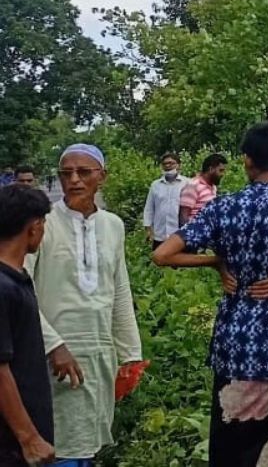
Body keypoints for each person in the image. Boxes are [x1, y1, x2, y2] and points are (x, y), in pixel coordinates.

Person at [153, 122, 268, 467]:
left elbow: (163, 254)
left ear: (246, 162)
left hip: (233, 332)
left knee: (227, 430)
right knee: (263, 433)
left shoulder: (223, 208)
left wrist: (214, 261)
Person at [25, 144, 143, 464]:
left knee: (87, 440)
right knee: (56, 442)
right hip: (52, 355)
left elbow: (119, 289)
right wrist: (53, 345)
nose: (74, 179)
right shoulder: (40, 224)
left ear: (101, 177)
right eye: (66, 173)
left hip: (99, 351)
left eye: (84, 172)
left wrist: (131, 353)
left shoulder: (113, 225)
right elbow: (21, 292)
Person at [0, 185, 55, 465]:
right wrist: (29, 437)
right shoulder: (3, 287)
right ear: (34, 228)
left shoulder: (17, 278)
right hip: (10, 445)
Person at [143, 152, 185, 250]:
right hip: (160, 235)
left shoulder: (187, 184)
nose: (168, 166)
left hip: (180, 235)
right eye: (165, 164)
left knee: (180, 262)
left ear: (179, 165)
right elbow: (149, 208)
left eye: (171, 163)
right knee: (159, 262)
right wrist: (148, 229)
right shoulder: (155, 185)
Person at [178, 153, 228, 225]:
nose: (223, 174)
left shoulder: (213, 187)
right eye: (220, 170)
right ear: (211, 169)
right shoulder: (193, 185)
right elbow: (183, 217)